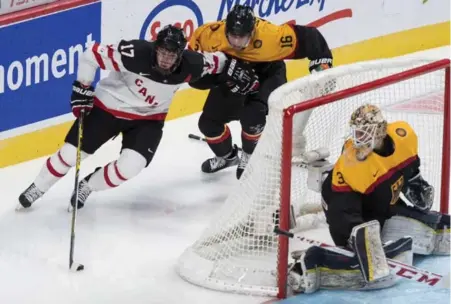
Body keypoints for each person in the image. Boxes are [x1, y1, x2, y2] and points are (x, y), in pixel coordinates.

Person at [16, 25, 255, 210]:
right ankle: (38, 187)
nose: (165, 60)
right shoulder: (134, 53)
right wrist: (82, 87)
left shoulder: (192, 64)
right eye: (162, 52)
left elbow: (220, 61)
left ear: (180, 55)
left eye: (172, 56)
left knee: (131, 166)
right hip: (107, 107)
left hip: (148, 119)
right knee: (70, 154)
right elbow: (91, 55)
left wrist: (234, 66)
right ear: (155, 47)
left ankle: (88, 185)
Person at [287, 104, 449, 293]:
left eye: (364, 132)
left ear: (380, 130)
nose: (358, 139)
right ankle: (310, 266)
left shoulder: (402, 136)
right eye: (357, 132)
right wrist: (357, 235)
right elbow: (341, 209)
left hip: (383, 208)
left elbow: (407, 171)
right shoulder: (352, 164)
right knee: (374, 270)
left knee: (442, 229)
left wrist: (414, 182)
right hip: (350, 215)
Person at [188, 4, 333, 179]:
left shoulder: (272, 36)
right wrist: (220, 76)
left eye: (241, 38)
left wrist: (322, 67)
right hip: (233, 72)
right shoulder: (209, 35)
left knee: (252, 116)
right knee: (208, 123)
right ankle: (227, 157)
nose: (236, 43)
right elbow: (191, 67)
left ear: (252, 32)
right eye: (232, 37)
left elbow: (311, 38)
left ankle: (249, 156)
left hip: (268, 72)